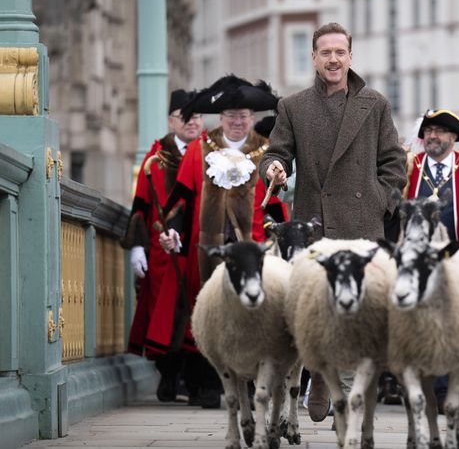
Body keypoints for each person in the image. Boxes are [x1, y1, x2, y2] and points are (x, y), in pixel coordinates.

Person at [259, 22, 407, 423]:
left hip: (363, 228)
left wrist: (380, 202)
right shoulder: (294, 106)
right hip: (315, 228)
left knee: (359, 317)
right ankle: (320, 375)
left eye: (340, 52)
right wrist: (274, 167)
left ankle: (348, 399)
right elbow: (276, 153)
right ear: (313, 58)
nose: (333, 59)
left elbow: (395, 162)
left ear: (350, 56)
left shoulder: (374, 104)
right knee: (317, 312)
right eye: (325, 52)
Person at [158, 75, 283, 408]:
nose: (238, 122)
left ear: (252, 118)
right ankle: (210, 385)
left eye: (243, 116)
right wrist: (172, 230)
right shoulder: (200, 149)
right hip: (208, 247)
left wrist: (277, 230)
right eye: (231, 116)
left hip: (251, 247)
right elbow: (181, 197)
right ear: (221, 119)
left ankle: (252, 383)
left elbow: (274, 203)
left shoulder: (265, 151)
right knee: (211, 313)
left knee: (252, 313)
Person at [121, 89, 201, 403]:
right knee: (163, 316)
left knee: (194, 315)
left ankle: (193, 381)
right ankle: (168, 377)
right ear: (172, 120)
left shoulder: (211, 154)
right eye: (186, 116)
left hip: (194, 249)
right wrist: (137, 247)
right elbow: (139, 207)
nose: (193, 122)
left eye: (196, 116)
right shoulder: (154, 160)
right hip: (162, 252)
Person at [404, 109, 459, 241]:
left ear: (453, 137)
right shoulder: (408, 166)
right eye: (428, 130)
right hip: (416, 254)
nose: (432, 135)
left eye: (440, 130)